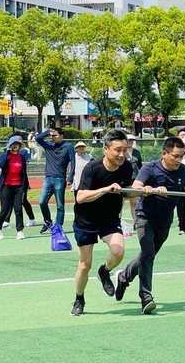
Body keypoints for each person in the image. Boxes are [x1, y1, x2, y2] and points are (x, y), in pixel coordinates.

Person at [115, 137, 185, 314]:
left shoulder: (183, 170)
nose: (179, 160)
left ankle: (124, 277)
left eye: (181, 156)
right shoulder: (150, 168)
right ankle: (146, 296)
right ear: (164, 153)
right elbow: (133, 189)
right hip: (145, 218)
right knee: (148, 254)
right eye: (175, 156)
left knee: (147, 256)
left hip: (164, 221)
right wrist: (146, 190)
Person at [71, 130, 135, 316]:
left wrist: (145, 191)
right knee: (85, 265)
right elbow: (80, 197)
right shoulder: (92, 168)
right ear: (106, 149)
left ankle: (104, 271)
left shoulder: (127, 167)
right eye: (117, 150)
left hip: (110, 219)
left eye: (125, 150)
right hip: (86, 220)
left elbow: (128, 192)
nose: (122, 154)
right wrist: (106, 189)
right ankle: (79, 298)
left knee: (118, 251)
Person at [36, 127, 75, 233]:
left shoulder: (68, 146)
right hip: (48, 178)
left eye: (55, 135)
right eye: (52, 136)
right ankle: (48, 222)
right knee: (42, 202)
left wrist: (70, 177)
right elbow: (38, 139)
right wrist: (48, 132)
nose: (53, 137)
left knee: (60, 205)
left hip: (60, 179)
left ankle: (58, 226)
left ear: (61, 136)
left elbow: (73, 162)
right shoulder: (49, 145)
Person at [0, 136, 30, 241]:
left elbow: (24, 172)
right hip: (6, 186)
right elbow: (1, 165)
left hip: (18, 186)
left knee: (18, 209)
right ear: (10, 145)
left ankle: (20, 231)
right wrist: (7, 152)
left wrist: (26, 185)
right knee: (5, 209)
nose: (15, 146)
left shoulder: (21, 157)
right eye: (13, 144)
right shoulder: (5, 156)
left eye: (17, 145)